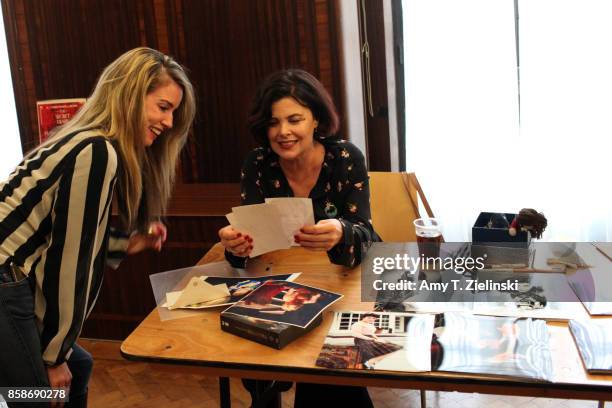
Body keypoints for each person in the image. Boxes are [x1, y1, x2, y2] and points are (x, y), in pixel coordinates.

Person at [0, 47, 195, 407]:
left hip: (11, 275)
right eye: (164, 107)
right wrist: (54, 355)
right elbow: (69, 263)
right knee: (37, 396)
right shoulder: (96, 151)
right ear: (130, 95)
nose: (169, 123)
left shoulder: (81, 140)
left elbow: (66, 234)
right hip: (5, 281)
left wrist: (125, 244)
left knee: (80, 366)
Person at [218, 68, 378, 408]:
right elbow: (246, 250)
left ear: (316, 119)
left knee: (329, 377)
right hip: (274, 290)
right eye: (274, 123)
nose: (283, 132)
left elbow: (367, 237)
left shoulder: (345, 158)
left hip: (339, 287)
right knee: (253, 362)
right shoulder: (258, 164)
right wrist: (234, 246)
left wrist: (340, 232)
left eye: (294, 119)